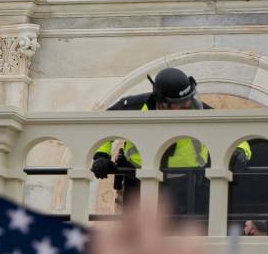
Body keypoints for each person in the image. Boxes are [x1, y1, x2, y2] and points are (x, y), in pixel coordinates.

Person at [91, 68, 253, 218]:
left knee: (188, 239)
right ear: (161, 103)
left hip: (188, 184)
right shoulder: (134, 108)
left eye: (188, 100)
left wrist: (239, 152)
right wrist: (101, 156)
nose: (187, 106)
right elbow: (103, 127)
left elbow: (234, 133)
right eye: (180, 104)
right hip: (140, 182)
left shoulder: (202, 112)